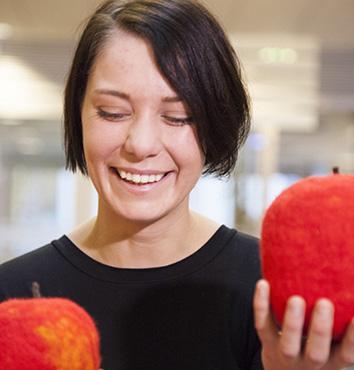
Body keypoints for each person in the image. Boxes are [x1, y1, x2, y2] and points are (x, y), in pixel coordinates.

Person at [0, 0, 354, 369]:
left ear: (215, 124)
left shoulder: (267, 295)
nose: (141, 144)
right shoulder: (13, 295)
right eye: (113, 112)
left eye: (177, 117)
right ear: (78, 115)